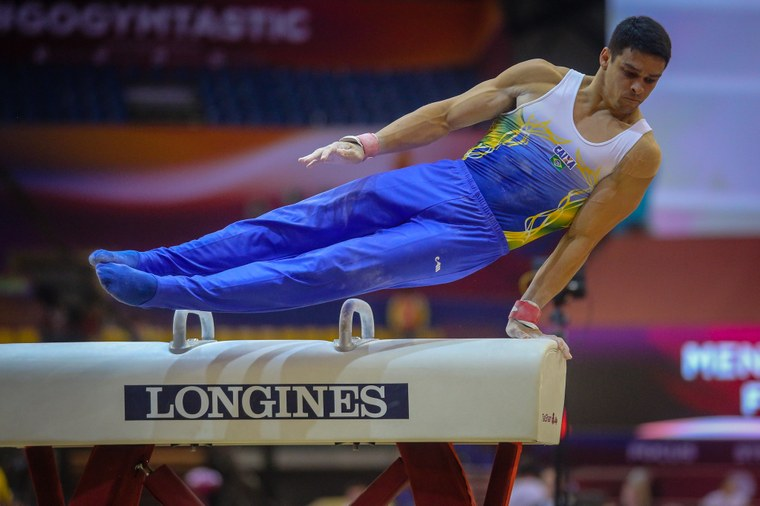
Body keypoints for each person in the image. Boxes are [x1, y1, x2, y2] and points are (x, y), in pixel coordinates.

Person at [91, 16, 671, 360]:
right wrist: (367, 145)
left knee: (337, 265)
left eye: (650, 81)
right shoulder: (540, 79)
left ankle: (164, 292)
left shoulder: (636, 153)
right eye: (630, 72)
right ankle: (150, 261)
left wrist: (528, 308)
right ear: (605, 57)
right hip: (447, 178)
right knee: (294, 224)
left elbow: (581, 239)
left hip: (473, 234)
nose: (638, 88)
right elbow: (446, 116)